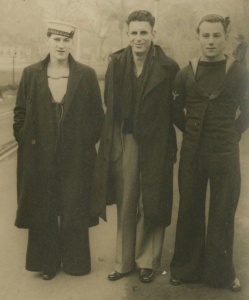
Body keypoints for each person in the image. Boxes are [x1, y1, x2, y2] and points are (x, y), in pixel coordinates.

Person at [92, 10, 179, 283]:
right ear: (127, 34)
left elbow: (174, 109)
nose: (138, 38)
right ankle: (123, 261)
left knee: (150, 199)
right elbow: (111, 104)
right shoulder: (117, 63)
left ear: (154, 34)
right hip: (126, 139)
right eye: (134, 33)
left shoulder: (169, 67)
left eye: (144, 32)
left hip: (157, 142)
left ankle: (147, 262)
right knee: (127, 198)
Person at [13, 20, 104, 280]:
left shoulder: (85, 74)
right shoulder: (31, 74)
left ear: (71, 43)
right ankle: (47, 263)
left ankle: (76, 262)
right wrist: (26, 139)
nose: (61, 45)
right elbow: (20, 114)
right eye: (56, 39)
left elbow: (97, 116)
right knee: (44, 206)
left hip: (76, 155)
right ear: (47, 41)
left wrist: (83, 144)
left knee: (74, 204)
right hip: (40, 155)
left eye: (66, 40)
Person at [170, 14, 249, 292]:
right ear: (198, 37)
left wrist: (234, 131)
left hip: (225, 154)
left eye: (217, 35)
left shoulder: (238, 72)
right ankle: (185, 269)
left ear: (225, 37)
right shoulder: (185, 72)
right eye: (206, 35)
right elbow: (175, 112)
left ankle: (222, 274)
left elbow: (247, 109)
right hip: (193, 153)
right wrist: (192, 131)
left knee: (222, 214)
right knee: (189, 211)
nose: (211, 41)